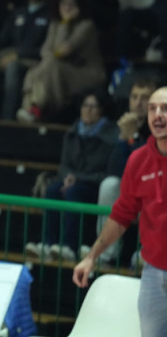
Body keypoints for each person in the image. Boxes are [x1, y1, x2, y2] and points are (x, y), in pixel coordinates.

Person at [74, 87, 167, 337]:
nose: (158, 115)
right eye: (152, 109)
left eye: (165, 109)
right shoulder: (138, 160)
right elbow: (122, 214)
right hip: (154, 274)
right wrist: (92, 256)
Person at [25, 90, 118, 262]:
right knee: (53, 189)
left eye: (93, 107)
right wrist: (67, 177)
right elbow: (64, 165)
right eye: (85, 106)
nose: (88, 110)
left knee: (73, 192)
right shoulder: (72, 133)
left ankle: (70, 247)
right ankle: (48, 243)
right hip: (73, 181)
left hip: (94, 186)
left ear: (102, 111)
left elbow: (108, 172)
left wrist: (78, 178)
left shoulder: (111, 137)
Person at [17, 0, 105, 123]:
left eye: (71, 4)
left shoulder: (86, 26)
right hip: (61, 69)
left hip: (87, 73)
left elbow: (63, 51)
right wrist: (62, 25)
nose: (67, 7)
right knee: (35, 70)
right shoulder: (55, 24)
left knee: (51, 66)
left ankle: (40, 108)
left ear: (79, 7)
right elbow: (45, 51)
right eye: (64, 3)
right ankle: (30, 108)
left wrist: (66, 23)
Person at [93, 79, 156, 265]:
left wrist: (133, 137)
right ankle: (106, 252)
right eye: (135, 97)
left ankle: (150, 253)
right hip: (132, 194)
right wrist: (123, 138)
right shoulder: (123, 125)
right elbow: (114, 170)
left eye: (144, 98)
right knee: (109, 185)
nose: (138, 102)